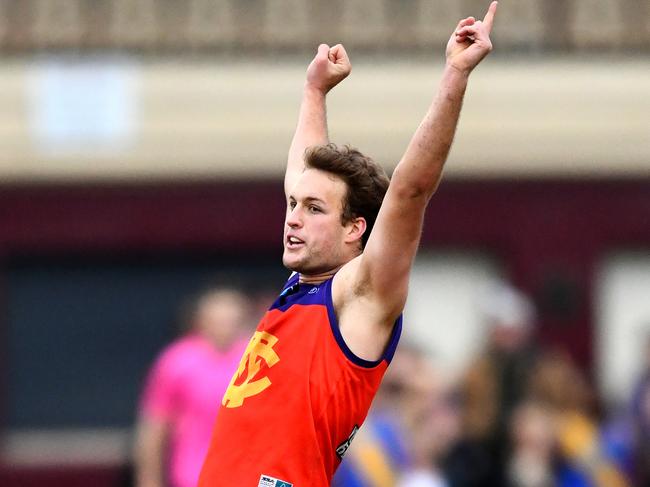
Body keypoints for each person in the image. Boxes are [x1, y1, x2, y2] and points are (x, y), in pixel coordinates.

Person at [198, 3, 498, 486]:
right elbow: (301, 174)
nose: (292, 218)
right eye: (293, 206)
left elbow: (411, 189)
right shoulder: (303, 283)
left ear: (356, 228)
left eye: (313, 210)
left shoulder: (359, 294)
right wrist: (314, 91)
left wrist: (455, 75)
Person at [134, 287, 251, 487]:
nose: (225, 328)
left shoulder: (259, 359)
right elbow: (154, 428)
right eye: (218, 321)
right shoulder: (176, 361)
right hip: (192, 477)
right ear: (201, 321)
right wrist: (149, 480)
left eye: (232, 321)